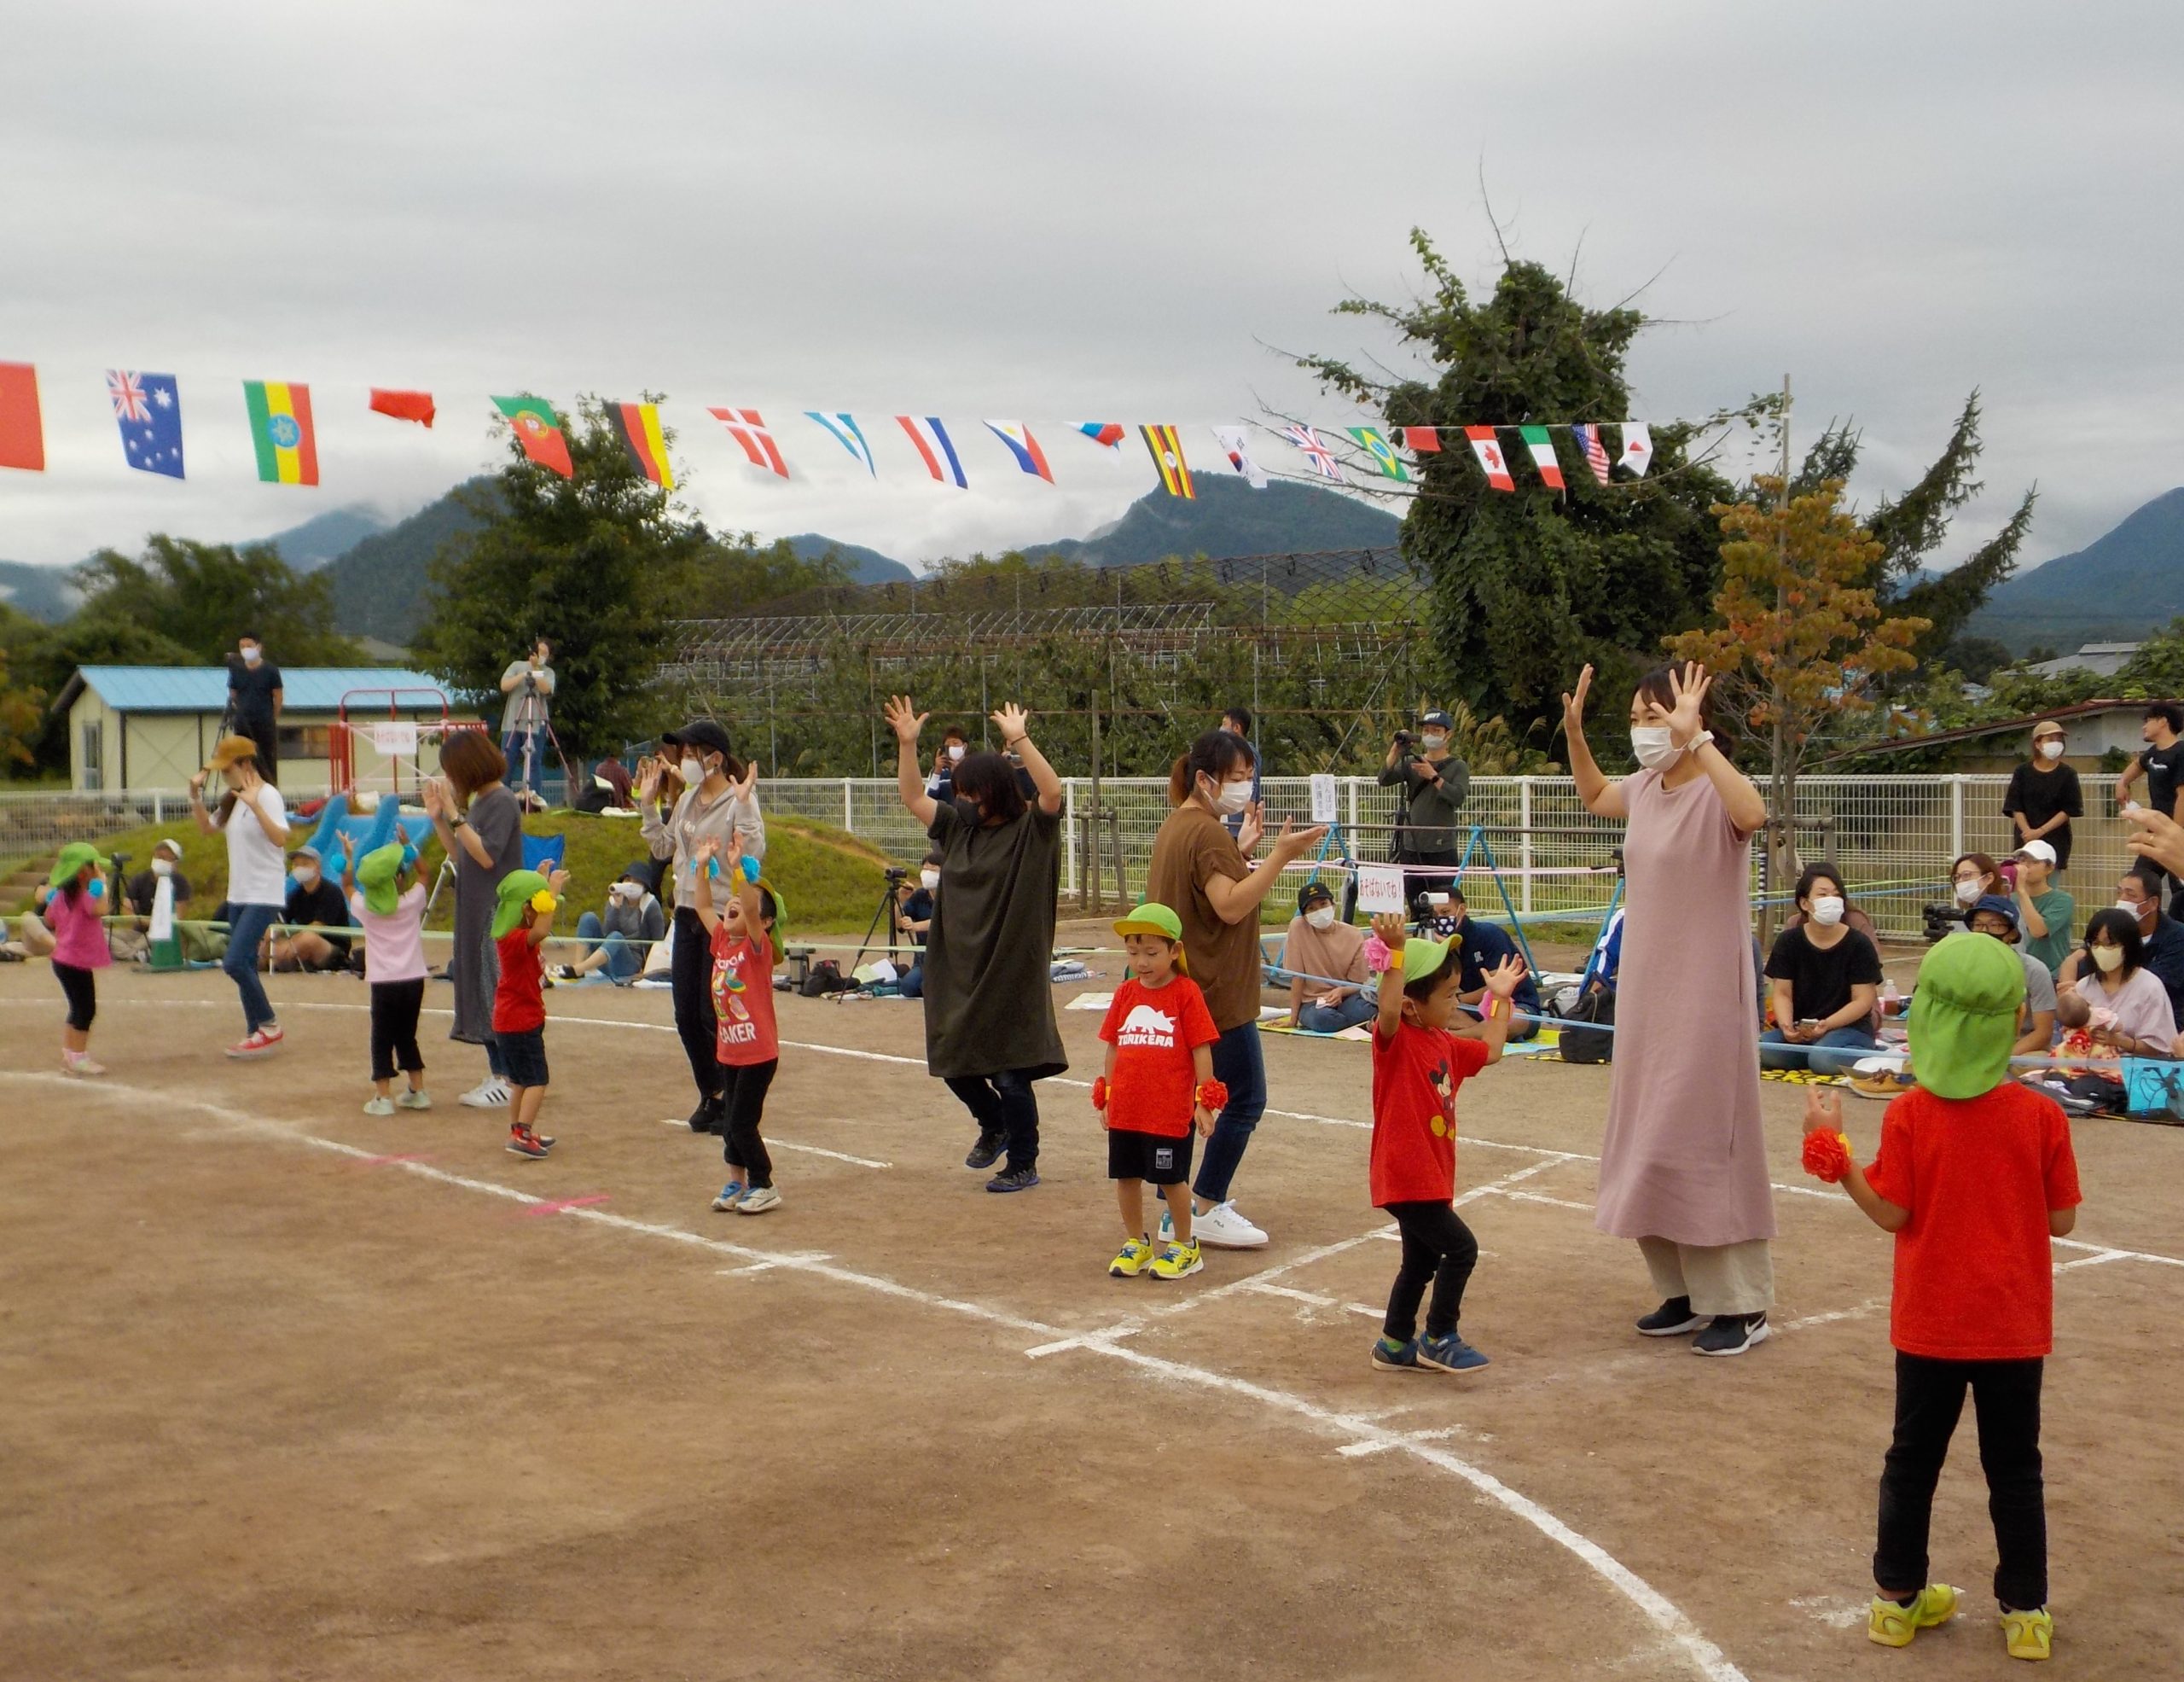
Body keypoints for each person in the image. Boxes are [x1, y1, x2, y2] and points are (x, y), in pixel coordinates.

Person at [1798, 932, 2078, 1662]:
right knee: (2016, 1467)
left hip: (1929, 1324)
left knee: (1912, 1460)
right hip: (2014, 1325)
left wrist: (1836, 1151)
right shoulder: (2041, 1115)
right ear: (2012, 1018)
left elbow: (1892, 1212)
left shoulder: (1910, 1114)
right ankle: (2026, 1610)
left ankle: (1896, 1600)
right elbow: (2062, 1219)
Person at [1564, 661, 1776, 1357]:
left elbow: (1754, 814)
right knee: (1646, 1136)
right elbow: (1595, 794)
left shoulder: (1717, 790)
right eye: (1636, 717)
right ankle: (1683, 1291)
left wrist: (1701, 740)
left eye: (1655, 717)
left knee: (1702, 1139)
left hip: (1708, 992)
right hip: (1648, 994)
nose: (1644, 731)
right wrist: (1575, 732)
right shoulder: (1647, 788)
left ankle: (1741, 1306)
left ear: (1690, 719)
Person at [1146, 729, 1329, 1248]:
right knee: (1245, 1098)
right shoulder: (1204, 832)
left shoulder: (1182, 825)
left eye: (1249, 778)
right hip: (1215, 996)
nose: (1246, 789)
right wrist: (1280, 856)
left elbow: (1210, 889)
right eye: (1237, 779)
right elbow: (1228, 903)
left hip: (1185, 991)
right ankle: (1204, 1203)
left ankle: (1177, 1204)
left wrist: (1241, 849)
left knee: (1188, 1100)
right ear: (1204, 779)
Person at [886, 695, 1066, 1193]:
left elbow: (1052, 793)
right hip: (956, 966)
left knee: (1010, 1073)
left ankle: (1023, 1161)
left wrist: (1020, 740)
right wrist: (908, 745)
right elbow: (912, 799)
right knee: (953, 1061)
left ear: (995, 792)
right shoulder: (957, 828)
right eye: (959, 792)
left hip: (1009, 967)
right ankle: (995, 1125)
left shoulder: (1033, 831)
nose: (961, 800)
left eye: (970, 793)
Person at [1365, 911, 1525, 1375]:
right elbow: (1390, 1008)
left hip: (1432, 1174)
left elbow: (1492, 1050)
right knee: (1461, 1249)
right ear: (1414, 1004)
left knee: (1420, 1261)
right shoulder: (1392, 1038)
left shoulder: (1444, 1041)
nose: (1456, 1003)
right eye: (1449, 995)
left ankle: (1394, 1344)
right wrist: (1394, 954)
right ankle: (1438, 1336)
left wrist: (1498, 1000)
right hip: (1405, 1173)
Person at [639, 720, 768, 1133]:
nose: (686, 759)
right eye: (685, 752)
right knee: (685, 1015)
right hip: (686, 914)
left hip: (720, 918)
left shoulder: (737, 800)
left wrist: (745, 806)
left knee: (712, 1012)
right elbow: (663, 848)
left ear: (715, 757)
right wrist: (646, 805)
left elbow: (754, 853)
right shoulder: (689, 798)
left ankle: (732, 1098)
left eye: (693, 752)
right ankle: (711, 1092)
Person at [1095, 904, 1222, 1281]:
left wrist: (1203, 1102)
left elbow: (1202, 1048)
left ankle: (1185, 1245)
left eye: (1151, 953)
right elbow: (1113, 1046)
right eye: (1133, 953)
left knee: (1171, 1180)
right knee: (1125, 1176)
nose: (1142, 962)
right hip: (1128, 1108)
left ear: (1175, 951)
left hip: (1167, 1111)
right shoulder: (1125, 993)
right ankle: (1137, 1241)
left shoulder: (1186, 993)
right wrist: (1108, 1094)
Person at [423, 730, 526, 1109]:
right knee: (480, 992)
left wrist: (453, 813)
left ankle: (509, 1077)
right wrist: (440, 820)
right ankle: (498, 1072)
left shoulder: (501, 800)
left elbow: (486, 856)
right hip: (475, 909)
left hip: (495, 913)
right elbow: (462, 854)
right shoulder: (483, 801)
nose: (451, 780)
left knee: (494, 990)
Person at [691, 835, 785, 1215]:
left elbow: (749, 903)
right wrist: (701, 866)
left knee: (742, 1122)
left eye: (744, 908)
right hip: (730, 1050)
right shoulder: (722, 942)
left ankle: (764, 1183)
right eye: (730, 904)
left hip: (758, 1052)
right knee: (728, 1124)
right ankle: (737, 1181)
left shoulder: (755, 948)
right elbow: (700, 905)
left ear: (763, 922)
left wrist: (738, 871)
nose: (734, 906)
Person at [189, 734, 292, 1059]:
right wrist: (195, 797)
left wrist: (256, 806)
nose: (223, 774)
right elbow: (208, 829)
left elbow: (280, 838)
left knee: (233, 961)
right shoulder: (232, 799)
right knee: (244, 961)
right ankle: (255, 1032)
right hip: (240, 892)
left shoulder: (268, 796)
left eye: (227, 768)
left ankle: (269, 1024)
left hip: (264, 892)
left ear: (246, 764)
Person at [1762, 864, 1885, 1076]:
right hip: (1806, 1031)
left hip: (1849, 1029)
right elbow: (1782, 992)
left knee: (1822, 1060)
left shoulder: (1858, 944)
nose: (1832, 900)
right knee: (1762, 1048)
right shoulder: (1789, 941)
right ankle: (1815, 1054)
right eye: (1823, 894)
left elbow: (1863, 1000)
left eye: (1837, 895)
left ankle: (1869, 1053)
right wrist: (1786, 1026)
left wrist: (1828, 1024)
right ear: (1804, 903)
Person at [343, 834, 431, 1115]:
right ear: (400, 878)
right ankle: (418, 1090)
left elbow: (346, 885)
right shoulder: (411, 902)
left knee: (381, 1037)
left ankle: (383, 1097)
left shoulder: (367, 910)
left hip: (383, 982)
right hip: (413, 979)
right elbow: (425, 873)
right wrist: (408, 847)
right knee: (407, 1035)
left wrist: (347, 856)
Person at [491, 866, 566, 1159]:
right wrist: (551, 893)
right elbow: (543, 929)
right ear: (526, 909)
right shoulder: (513, 939)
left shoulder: (518, 934)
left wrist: (536, 881)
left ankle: (518, 1129)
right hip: (519, 1022)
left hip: (514, 1022)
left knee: (521, 1081)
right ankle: (521, 1133)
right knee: (537, 1080)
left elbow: (538, 931)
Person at [2058, 871, 2184, 1029]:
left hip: (2160, 1024)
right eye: (2119, 893)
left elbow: (2150, 984)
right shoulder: (2113, 931)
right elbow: (2075, 959)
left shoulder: (2178, 937)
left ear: (2153, 903)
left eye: (2130, 895)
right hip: (2101, 1021)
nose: (2122, 900)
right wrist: (2070, 991)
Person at [2055, 907, 2177, 1057]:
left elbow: (2160, 1048)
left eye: (2109, 944)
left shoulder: (2150, 987)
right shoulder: (2084, 986)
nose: (2101, 950)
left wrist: (2119, 1041)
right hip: (2084, 1064)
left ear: (2128, 945)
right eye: (2096, 944)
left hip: (2130, 1071)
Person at [1379, 709, 1469, 905]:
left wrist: (1434, 777)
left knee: (1442, 903)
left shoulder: (1458, 766)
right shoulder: (1412, 762)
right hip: (1412, 845)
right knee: (1416, 903)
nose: (1430, 735)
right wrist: (1395, 750)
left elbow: (1458, 797)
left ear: (1448, 734)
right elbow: (1384, 779)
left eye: (1436, 731)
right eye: (1426, 731)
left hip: (1441, 846)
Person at [38, 842, 113, 1075]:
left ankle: (70, 1052)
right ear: (84, 872)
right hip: (75, 961)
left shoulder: (61, 896)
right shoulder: (86, 896)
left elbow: (49, 919)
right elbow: (101, 909)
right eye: (94, 867)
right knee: (85, 1009)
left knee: (76, 1007)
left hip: (63, 959)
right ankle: (78, 1057)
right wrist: (101, 885)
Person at [1444, 885, 1542, 1041]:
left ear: (1461, 909)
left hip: (1516, 1004)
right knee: (1433, 1012)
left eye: (1445, 913)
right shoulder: (1436, 940)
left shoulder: (1488, 934)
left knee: (1510, 1022)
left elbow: (1497, 988)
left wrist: (1459, 1000)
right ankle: (1486, 1033)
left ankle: (1456, 1036)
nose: (1439, 919)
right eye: (1433, 914)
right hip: (1470, 1009)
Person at [1965, 896, 2059, 1057]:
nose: (1984, 932)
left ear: (2012, 933)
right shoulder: (1963, 967)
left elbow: (2043, 1033)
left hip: (2020, 1046)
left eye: (1994, 925)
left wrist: (2002, 1060)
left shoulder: (2034, 970)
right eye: (1978, 925)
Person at [1281, 881, 1374, 1033]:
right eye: (1311, 909)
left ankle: (1356, 1021)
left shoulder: (1353, 934)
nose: (1319, 911)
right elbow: (1297, 978)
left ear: (1333, 904)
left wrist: (1341, 992)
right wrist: (1293, 1018)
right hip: (1312, 1002)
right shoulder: (1298, 928)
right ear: (1304, 916)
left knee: (1363, 1011)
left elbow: (1358, 983)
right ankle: (1359, 1024)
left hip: (1345, 998)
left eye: (1323, 904)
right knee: (1323, 1019)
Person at [2115, 700, 2184, 900]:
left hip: (2175, 832)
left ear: (2163, 721)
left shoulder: (2180, 752)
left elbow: (2182, 795)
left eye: (2148, 721)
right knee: (2140, 879)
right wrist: (2122, 782)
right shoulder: (2153, 753)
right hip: (2156, 832)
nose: (2144, 726)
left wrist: (2176, 833)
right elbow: (2138, 764)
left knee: (2179, 887)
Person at [554, 862, 665, 985]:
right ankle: (577, 967)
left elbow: (657, 941)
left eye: (636, 881)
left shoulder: (650, 905)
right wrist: (616, 907)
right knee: (588, 918)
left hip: (631, 963)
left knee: (617, 937)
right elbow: (608, 932)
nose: (631, 884)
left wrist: (648, 969)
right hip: (607, 955)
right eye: (628, 880)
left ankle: (579, 969)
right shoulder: (615, 901)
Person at [2003, 720, 2082, 872]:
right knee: (2023, 880)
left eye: (2059, 739)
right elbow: (2015, 806)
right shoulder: (2022, 771)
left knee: (2048, 884)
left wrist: (2040, 831)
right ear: (2037, 744)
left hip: (2056, 838)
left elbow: (2068, 810)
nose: (2056, 743)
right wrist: (2028, 832)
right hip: (2025, 839)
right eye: (2050, 739)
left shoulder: (2068, 774)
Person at [268, 844, 354, 972]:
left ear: (317, 867)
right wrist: (270, 936)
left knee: (308, 939)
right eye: (296, 865)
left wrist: (289, 942)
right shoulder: (295, 895)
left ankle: (279, 959)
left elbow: (317, 927)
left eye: (304, 864)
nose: (299, 868)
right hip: (302, 943)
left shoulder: (331, 892)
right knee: (268, 934)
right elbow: (280, 922)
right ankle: (272, 959)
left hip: (334, 950)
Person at [498, 637, 557, 804]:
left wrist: (537, 670)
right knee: (507, 761)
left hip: (537, 723)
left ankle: (534, 798)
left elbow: (546, 690)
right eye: (539, 652)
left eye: (545, 654)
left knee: (534, 762)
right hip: (513, 722)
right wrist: (525, 674)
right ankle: (502, 800)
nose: (541, 656)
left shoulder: (548, 672)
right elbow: (504, 686)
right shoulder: (517, 666)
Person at [2012, 841, 2074, 977]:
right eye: (2022, 860)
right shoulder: (2010, 899)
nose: (2026, 866)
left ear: (2050, 868)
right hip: (2017, 973)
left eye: (2034, 862)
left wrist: (2021, 891)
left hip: (2051, 974)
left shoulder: (2062, 900)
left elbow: (2039, 931)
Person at [226, 632, 282, 782]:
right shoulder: (237, 670)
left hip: (264, 722)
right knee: (243, 759)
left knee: (265, 760)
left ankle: (269, 787)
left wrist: (272, 717)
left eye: (249, 646)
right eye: (242, 646)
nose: (245, 649)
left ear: (258, 647)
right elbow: (233, 693)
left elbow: (278, 695)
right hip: (243, 722)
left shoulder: (270, 670)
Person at [894, 853, 940, 1000]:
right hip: (923, 958)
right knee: (908, 987)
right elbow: (900, 926)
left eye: (932, 869)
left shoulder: (953, 896)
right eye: (924, 869)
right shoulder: (920, 895)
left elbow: (943, 922)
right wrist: (900, 902)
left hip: (946, 958)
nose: (927, 873)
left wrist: (915, 926)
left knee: (932, 990)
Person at [1219, 706, 1260, 840]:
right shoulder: (1236, 752)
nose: (1221, 728)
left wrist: (1248, 828)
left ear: (1237, 728)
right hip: (1234, 827)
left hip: (1240, 829)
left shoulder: (1246, 753)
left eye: (1225, 724)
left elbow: (1250, 793)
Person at [926, 726, 969, 806]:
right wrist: (937, 773)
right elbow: (929, 798)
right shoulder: (939, 771)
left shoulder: (973, 767)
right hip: (945, 815)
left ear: (965, 746)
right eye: (948, 746)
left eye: (955, 743)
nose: (952, 747)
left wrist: (957, 774)